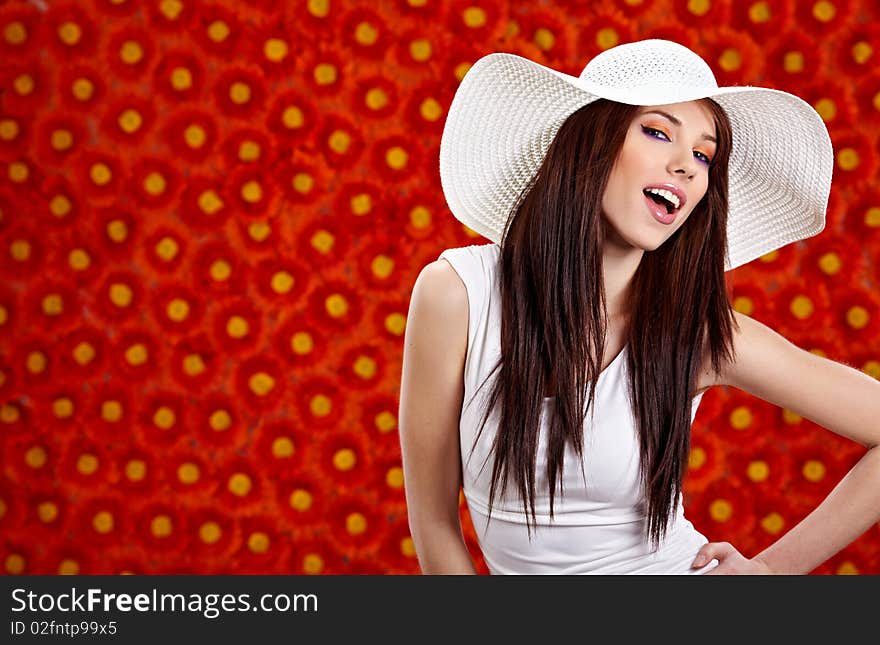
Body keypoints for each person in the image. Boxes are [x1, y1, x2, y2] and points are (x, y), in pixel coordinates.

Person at [398, 39, 880, 574]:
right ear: (591, 141)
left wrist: (771, 572)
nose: (687, 167)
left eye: (703, 154)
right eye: (657, 132)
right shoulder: (457, 295)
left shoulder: (698, 335)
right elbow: (433, 519)